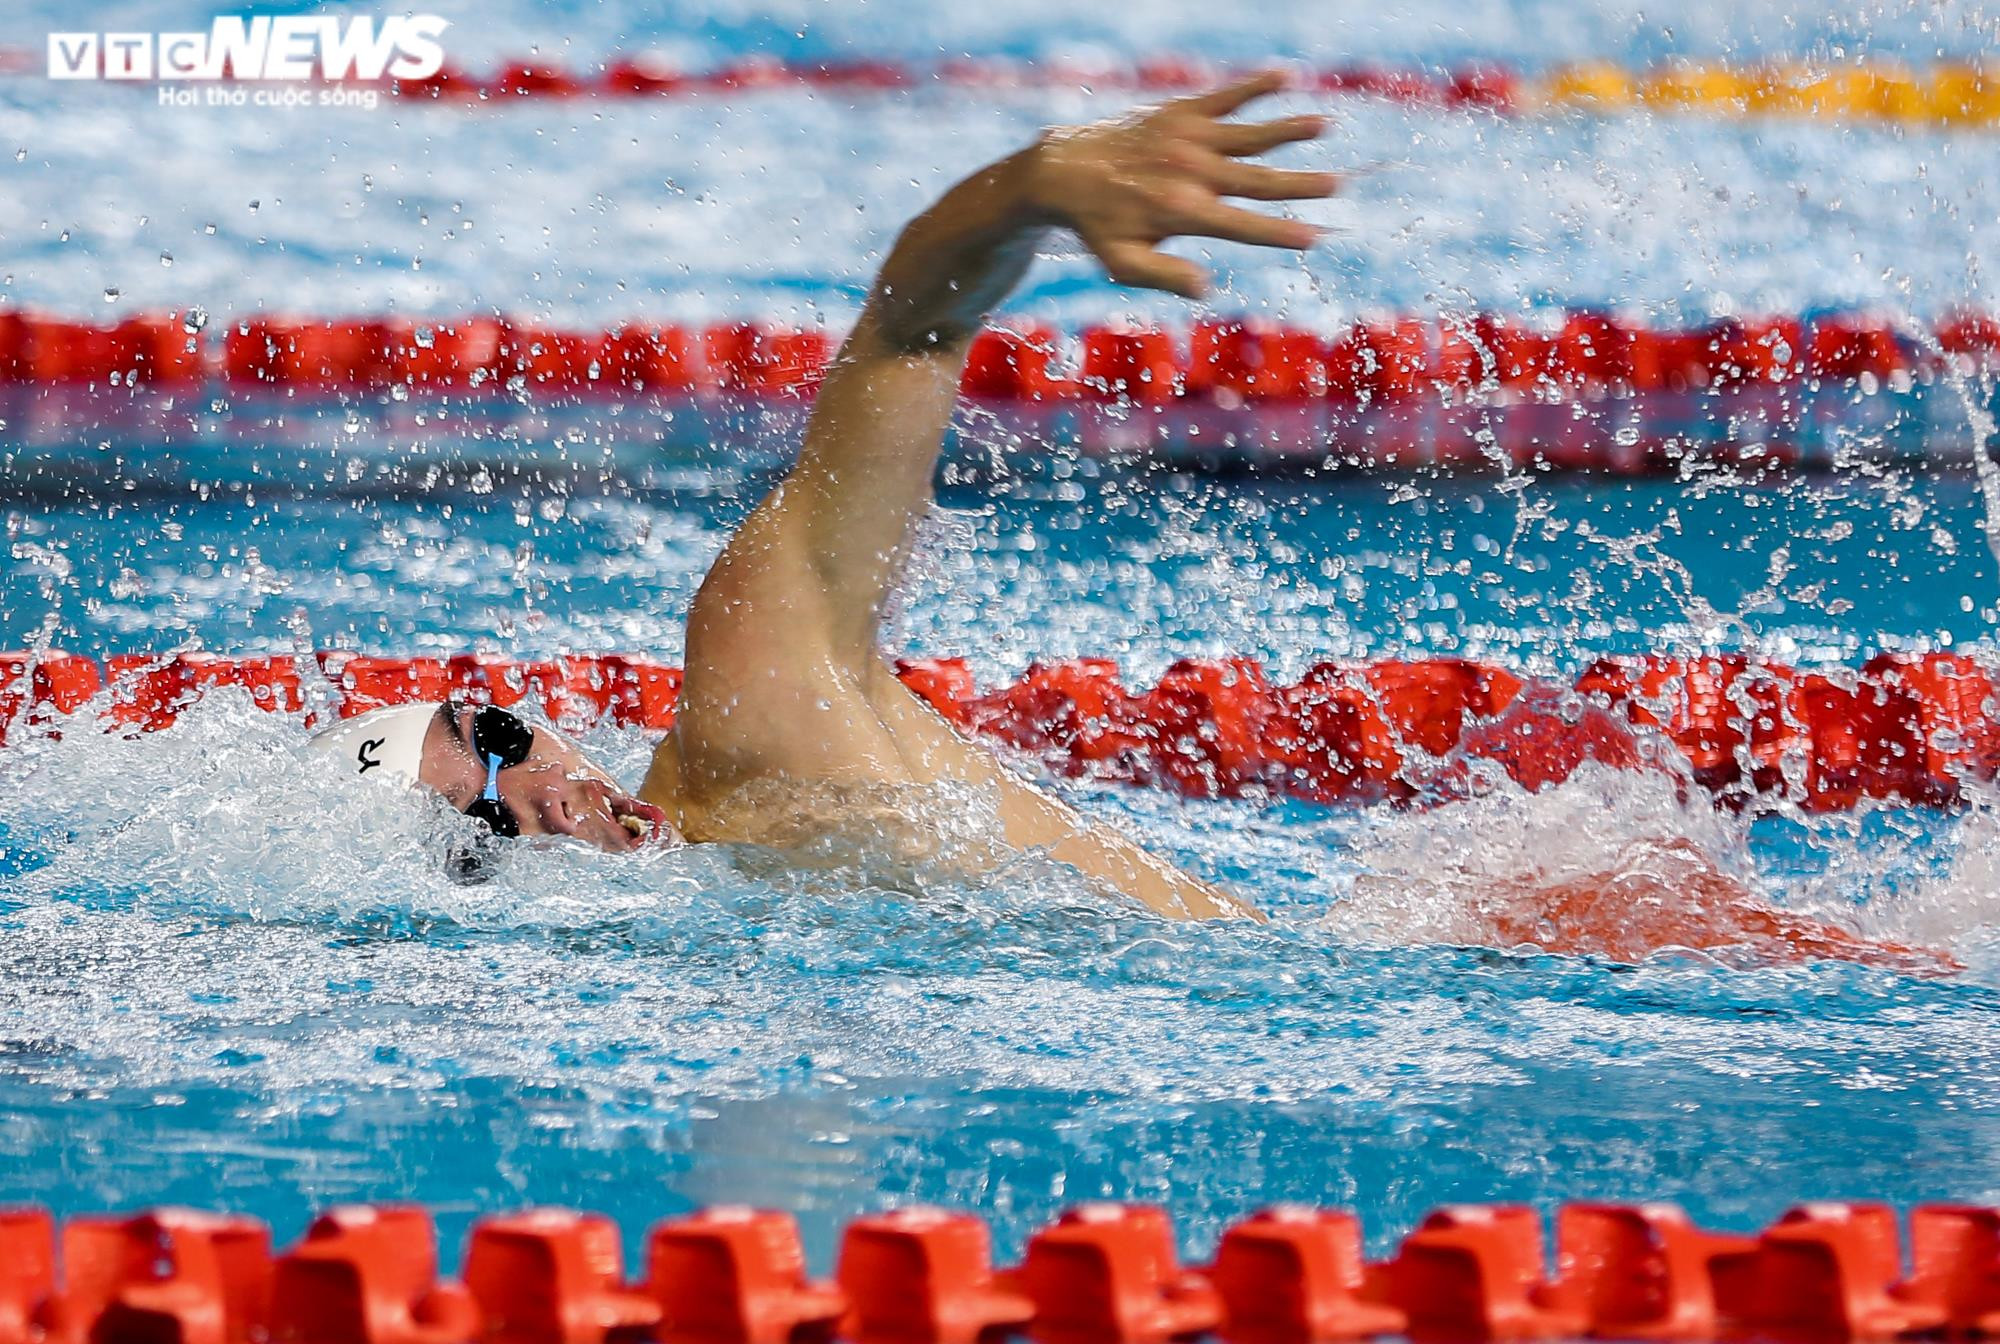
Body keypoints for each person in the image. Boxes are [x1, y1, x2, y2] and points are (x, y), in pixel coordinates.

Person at [313, 74, 1948, 970]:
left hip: (1483, 948)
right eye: (490, 828)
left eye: (500, 738)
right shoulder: (700, 955)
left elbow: (904, 338)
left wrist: (1028, 189)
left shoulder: (753, 701)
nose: (550, 791)